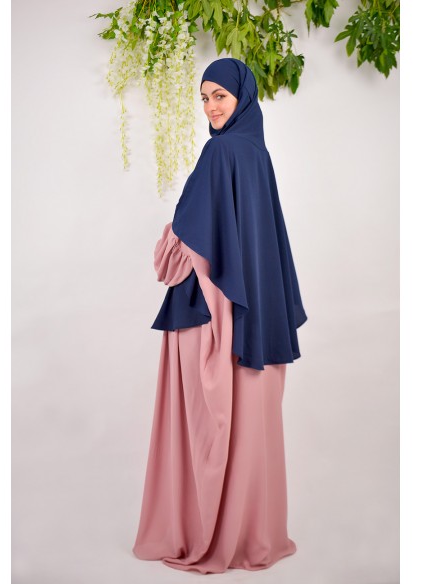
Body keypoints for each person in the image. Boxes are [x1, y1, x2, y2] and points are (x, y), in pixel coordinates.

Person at [132, 58, 307, 574]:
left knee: (205, 426)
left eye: (220, 96)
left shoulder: (219, 152)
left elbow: (176, 255)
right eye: (204, 98)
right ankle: (251, 536)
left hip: (209, 316)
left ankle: (200, 533)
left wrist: (174, 235)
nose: (210, 107)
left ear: (241, 98)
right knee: (248, 423)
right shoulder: (258, 154)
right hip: (253, 321)